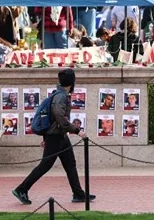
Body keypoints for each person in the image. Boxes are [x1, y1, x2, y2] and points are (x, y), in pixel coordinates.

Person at [13, 69, 94, 205]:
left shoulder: (59, 94)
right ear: (72, 82)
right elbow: (58, 115)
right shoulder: (61, 96)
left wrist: (46, 137)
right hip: (55, 136)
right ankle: (22, 189)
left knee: (70, 164)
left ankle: (78, 193)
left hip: (60, 136)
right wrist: (76, 130)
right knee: (45, 165)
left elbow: (51, 118)